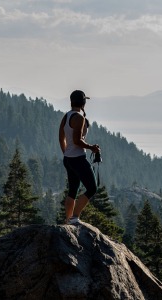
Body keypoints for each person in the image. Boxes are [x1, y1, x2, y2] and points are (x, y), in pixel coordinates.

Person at [59, 90, 100, 225]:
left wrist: (66, 152)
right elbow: (77, 140)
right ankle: (75, 217)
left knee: (73, 190)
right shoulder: (79, 118)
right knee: (92, 188)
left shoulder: (67, 116)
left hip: (68, 159)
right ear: (83, 103)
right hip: (78, 159)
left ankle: (68, 220)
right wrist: (92, 147)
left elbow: (61, 137)